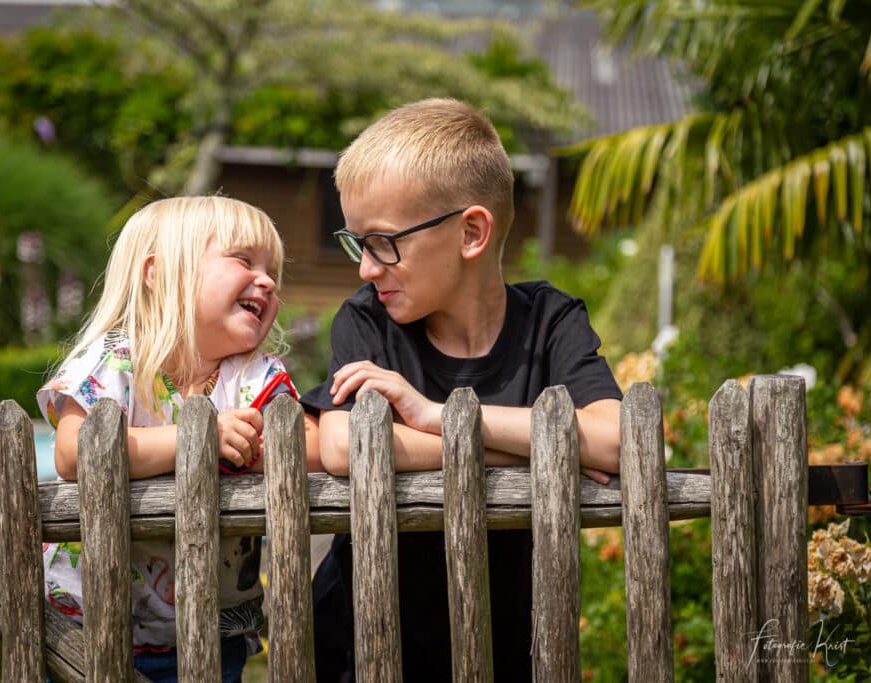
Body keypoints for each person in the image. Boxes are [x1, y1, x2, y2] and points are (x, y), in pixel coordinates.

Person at [301, 99, 623, 681]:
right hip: (366, 649)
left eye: (381, 243)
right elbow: (345, 448)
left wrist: (431, 416)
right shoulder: (367, 321)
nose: (365, 270)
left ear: (471, 232)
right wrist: (532, 450)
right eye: (356, 243)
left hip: (511, 651)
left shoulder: (551, 321)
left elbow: (618, 441)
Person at [36, 195, 321, 683]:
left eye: (272, 270)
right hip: (89, 625)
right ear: (158, 272)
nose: (269, 281)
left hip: (212, 629)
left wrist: (245, 450)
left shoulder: (255, 376)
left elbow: (309, 447)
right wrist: (197, 442)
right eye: (243, 260)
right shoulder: (115, 360)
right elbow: (75, 452)